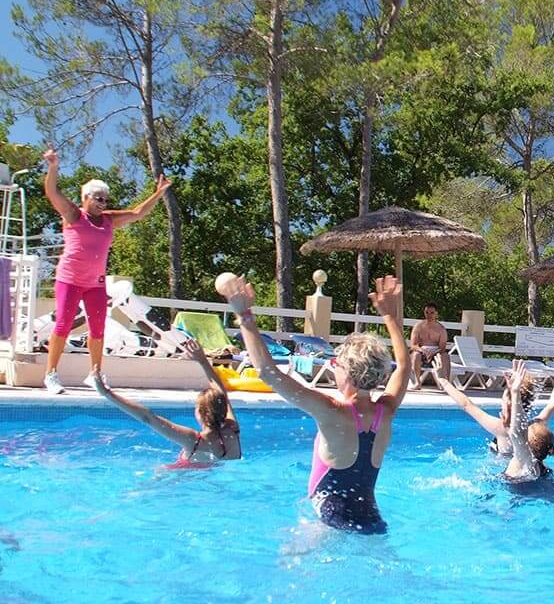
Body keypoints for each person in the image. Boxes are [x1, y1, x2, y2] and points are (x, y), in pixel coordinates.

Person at [219, 273, 409, 534]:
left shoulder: (332, 410)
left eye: (336, 363)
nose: (333, 366)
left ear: (347, 371)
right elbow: (404, 368)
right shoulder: (385, 412)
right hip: (372, 516)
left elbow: (267, 372)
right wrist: (389, 316)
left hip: (330, 515)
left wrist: (245, 316)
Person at [41, 148, 172, 394]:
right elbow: (51, 192)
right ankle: (51, 374)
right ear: (86, 198)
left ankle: (95, 374)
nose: (103, 203)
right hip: (69, 280)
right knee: (63, 325)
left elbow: (137, 213)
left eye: (105, 199)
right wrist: (54, 167)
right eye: (99, 198)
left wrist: (158, 193)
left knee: (98, 328)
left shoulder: (109, 220)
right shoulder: (73, 214)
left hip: (95, 283)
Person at [92, 339, 241, 464]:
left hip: (181, 482)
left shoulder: (193, 440)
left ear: (200, 413)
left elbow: (148, 418)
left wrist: (107, 393)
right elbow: (222, 394)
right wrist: (203, 361)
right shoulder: (233, 431)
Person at [437, 356, 554, 457]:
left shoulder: (500, 428)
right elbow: (552, 403)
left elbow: (467, 405)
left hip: (506, 475)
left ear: (508, 402)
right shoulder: (534, 427)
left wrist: (444, 382)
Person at [502, 360, 554, 482]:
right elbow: (551, 404)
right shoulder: (539, 467)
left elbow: (517, 431)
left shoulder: (524, 457)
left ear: (527, 444)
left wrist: (515, 392)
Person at [410, 303, 450, 388]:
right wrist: (423, 350)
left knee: (446, 356)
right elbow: (413, 345)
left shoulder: (441, 329)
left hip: (436, 354)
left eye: (432, 313)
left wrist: (433, 353)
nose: (429, 315)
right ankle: (417, 382)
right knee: (416, 354)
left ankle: (446, 383)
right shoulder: (418, 327)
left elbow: (442, 348)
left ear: (436, 313)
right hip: (422, 352)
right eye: (427, 312)